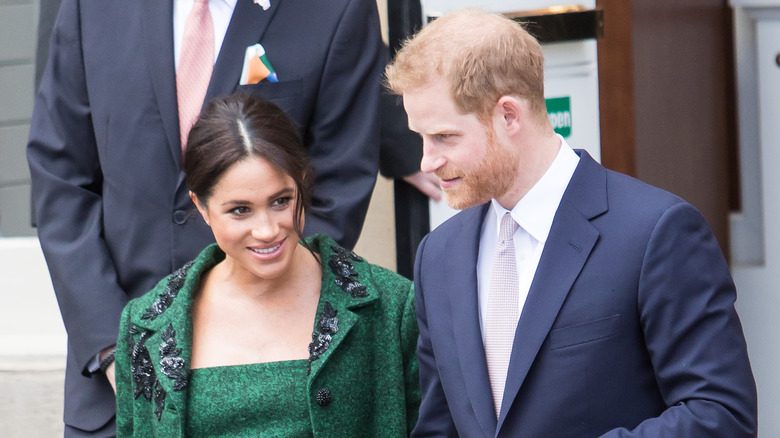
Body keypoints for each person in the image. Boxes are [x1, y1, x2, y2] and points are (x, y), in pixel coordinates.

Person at [385, 8, 757, 437]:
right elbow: (440, 428)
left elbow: (721, 416)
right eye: (421, 137)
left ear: (509, 115)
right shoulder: (438, 255)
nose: (427, 161)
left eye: (445, 137)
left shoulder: (656, 232)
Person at [26, 0, 384, 435]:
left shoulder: (337, 9)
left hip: (273, 390)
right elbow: (60, 178)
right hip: (113, 391)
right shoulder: (91, 7)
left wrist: (250, 338)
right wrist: (112, 349)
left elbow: (335, 188)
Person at [113, 93, 419, 436]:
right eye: (240, 210)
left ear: (302, 181)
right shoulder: (145, 325)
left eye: (281, 201)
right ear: (201, 206)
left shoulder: (392, 307)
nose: (268, 230)